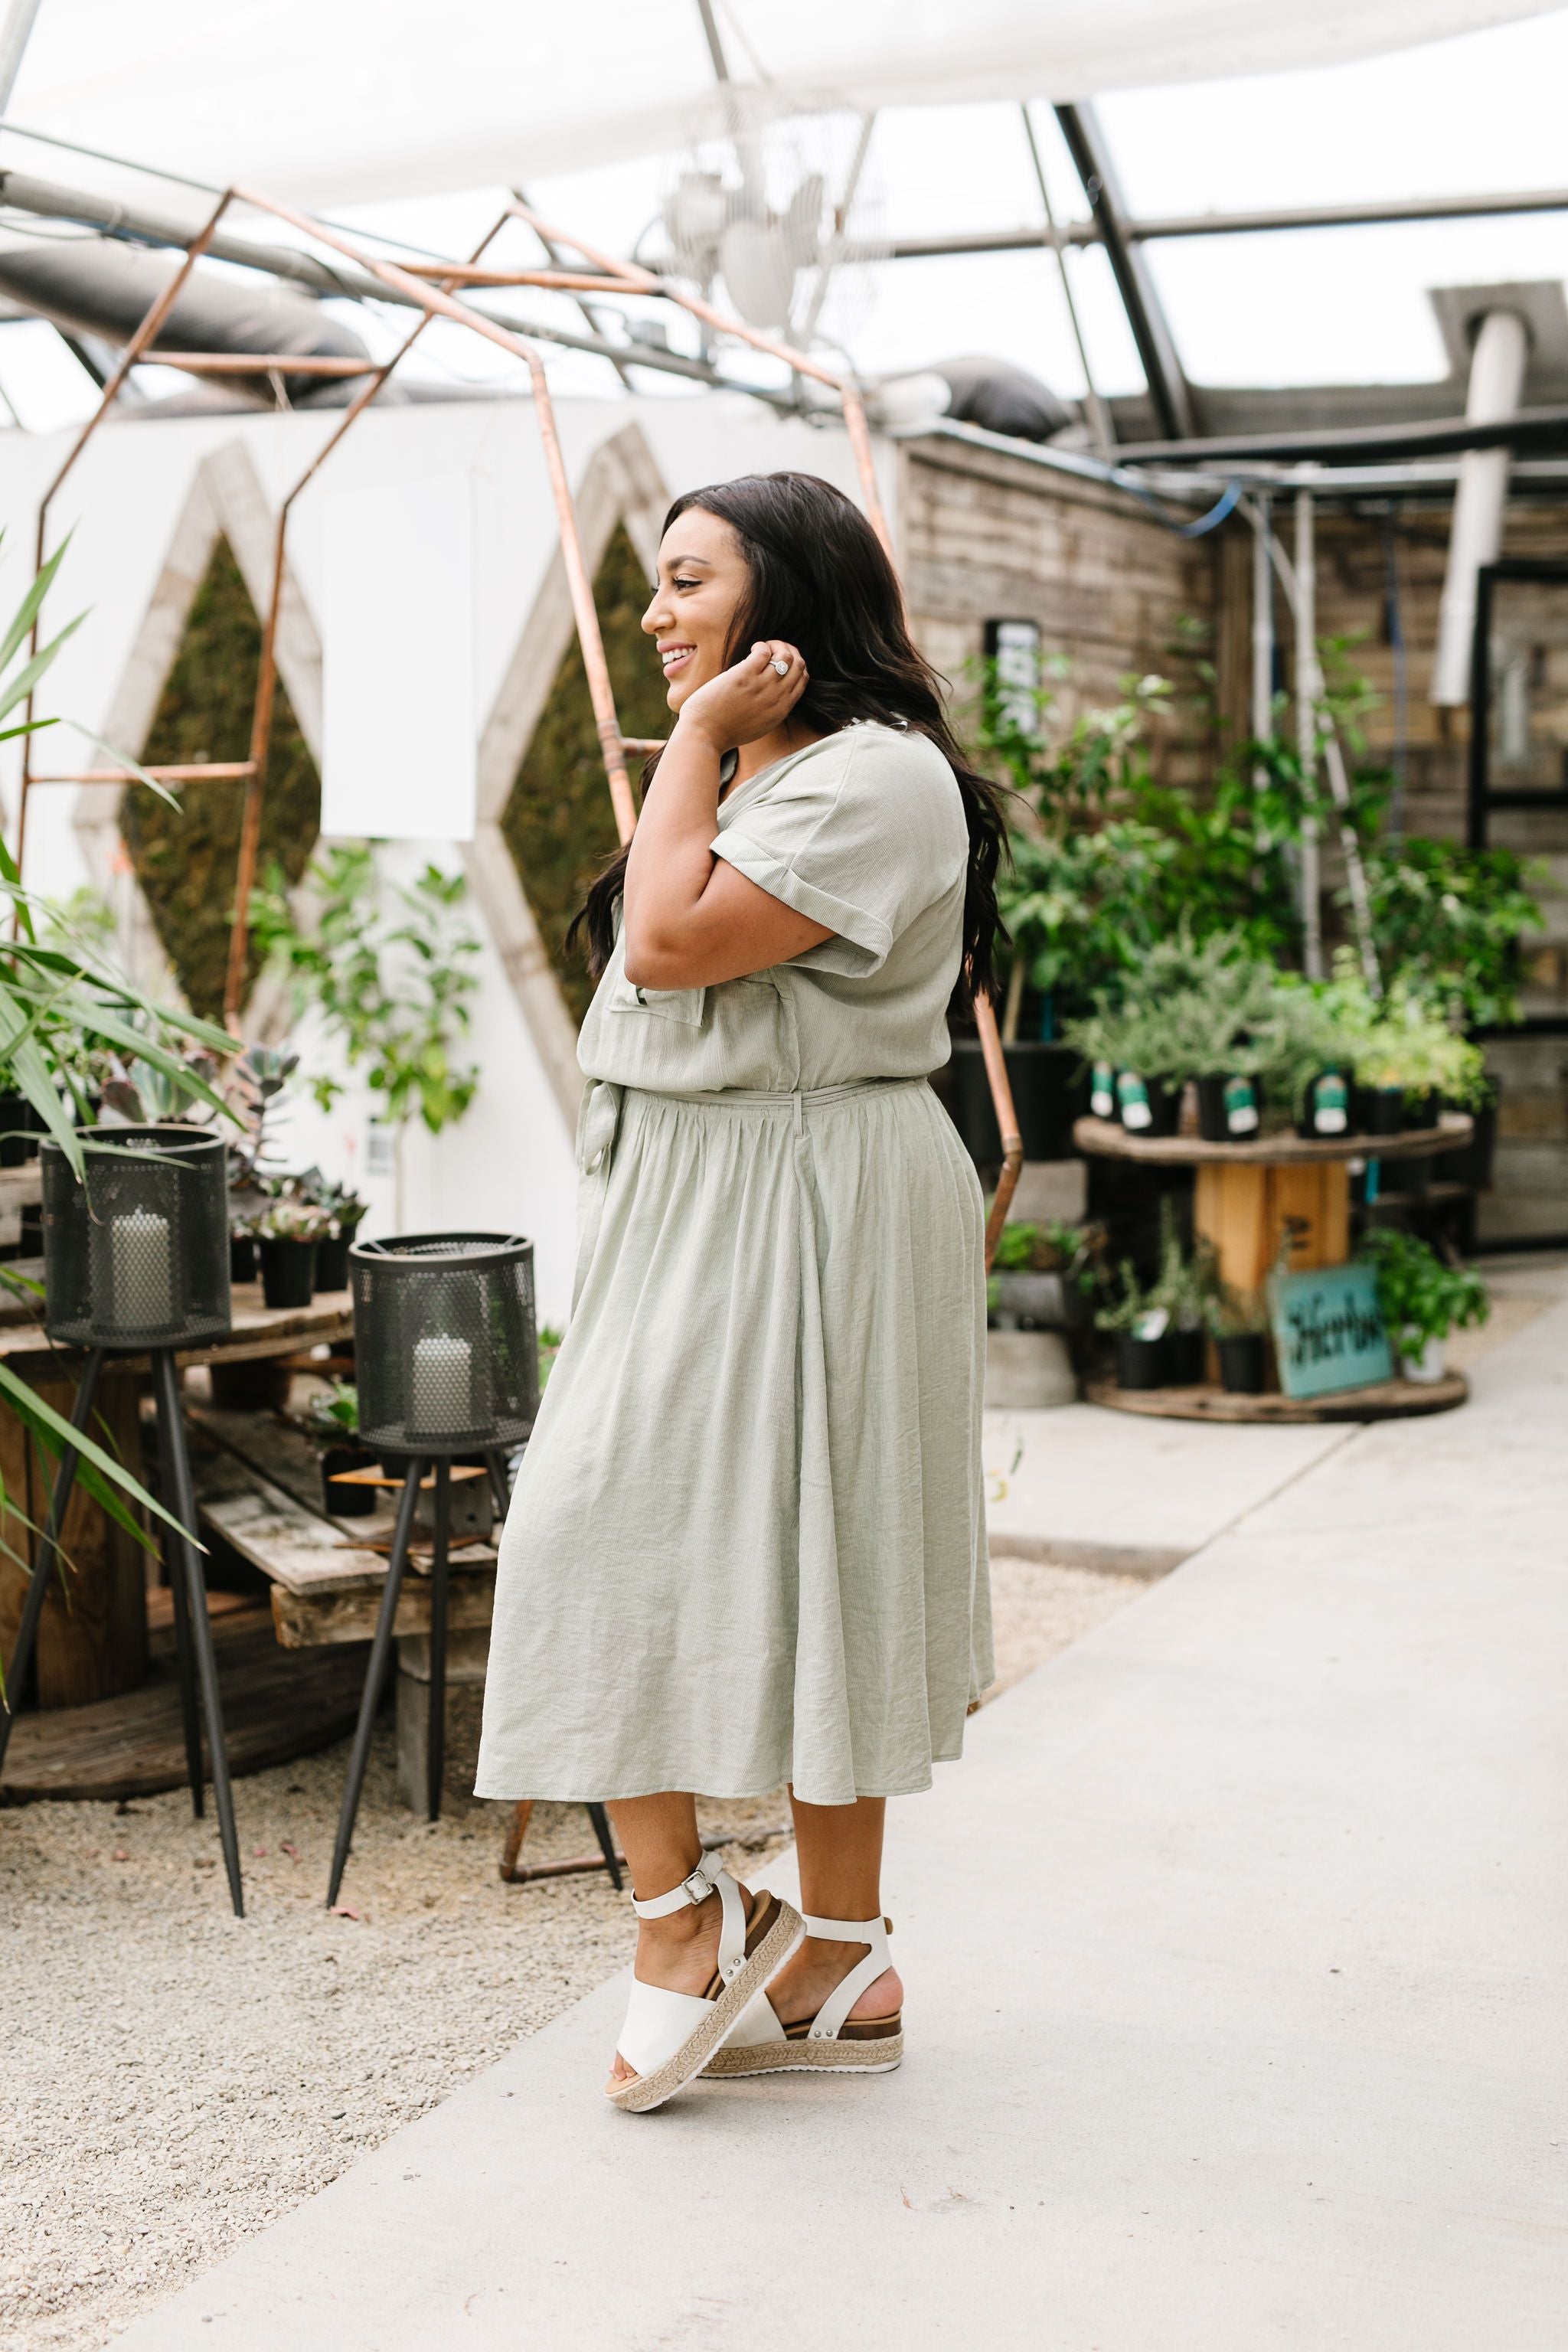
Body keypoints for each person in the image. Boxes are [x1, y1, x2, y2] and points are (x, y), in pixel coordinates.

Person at [475, 469, 1006, 2112]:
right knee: (588, 1525)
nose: (652, 615)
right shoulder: (761, 759)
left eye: (687, 580)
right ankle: (700, 1915)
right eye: (651, 585)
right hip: (697, 1184)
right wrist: (710, 737)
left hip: (821, 1185)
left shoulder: (879, 777)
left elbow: (676, 946)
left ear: (789, 594)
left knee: (826, 1549)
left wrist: (694, 738)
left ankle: (826, 1948)